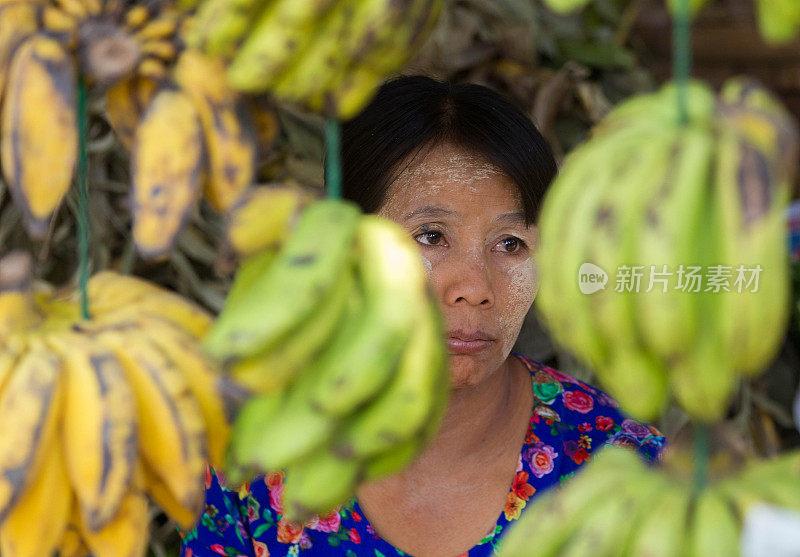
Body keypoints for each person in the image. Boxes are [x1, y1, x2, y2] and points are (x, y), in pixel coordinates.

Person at [180, 75, 667, 557]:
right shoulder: (253, 456)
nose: (474, 290)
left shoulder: (622, 470)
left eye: (511, 244)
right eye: (431, 236)